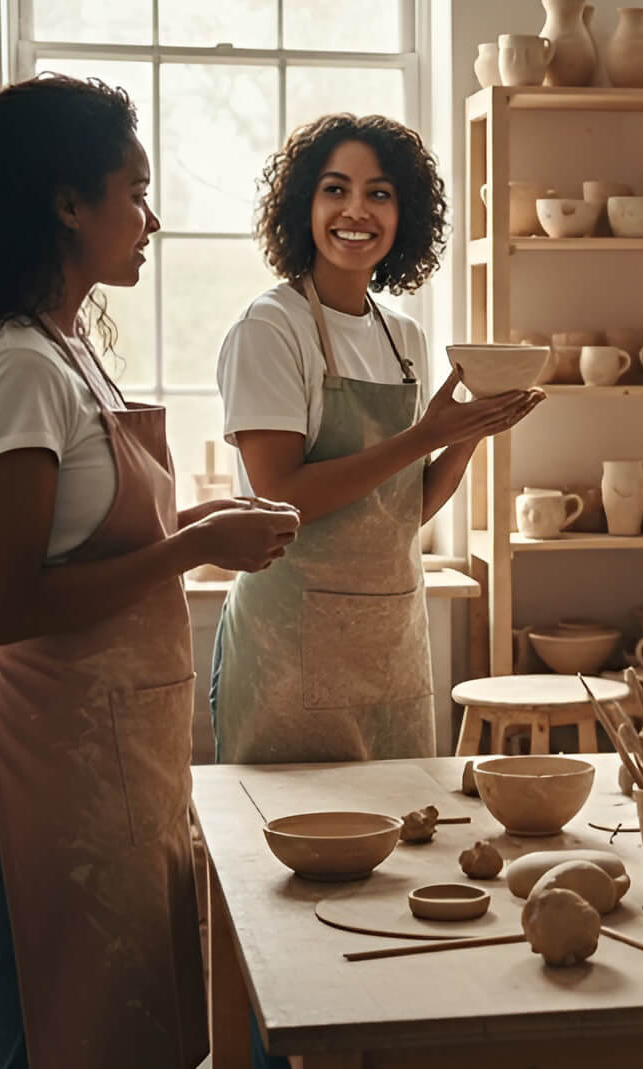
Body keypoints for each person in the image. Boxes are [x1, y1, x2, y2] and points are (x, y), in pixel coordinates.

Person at [0, 75, 299, 1069]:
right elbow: (12, 604)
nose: (150, 219)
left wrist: (204, 518)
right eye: (135, 190)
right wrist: (194, 548)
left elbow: (93, 544)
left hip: (102, 743)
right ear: (68, 203)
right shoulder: (18, 365)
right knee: (67, 1042)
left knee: (122, 1033)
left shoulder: (67, 349)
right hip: (40, 749)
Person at [211, 113, 540, 764]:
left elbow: (402, 508)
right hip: (290, 648)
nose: (355, 210)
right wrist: (425, 435)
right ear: (302, 205)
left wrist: (473, 429)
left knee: (406, 851)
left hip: (391, 644)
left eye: (379, 194)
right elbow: (280, 493)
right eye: (334, 189)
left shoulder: (405, 338)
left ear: (405, 215)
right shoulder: (271, 328)